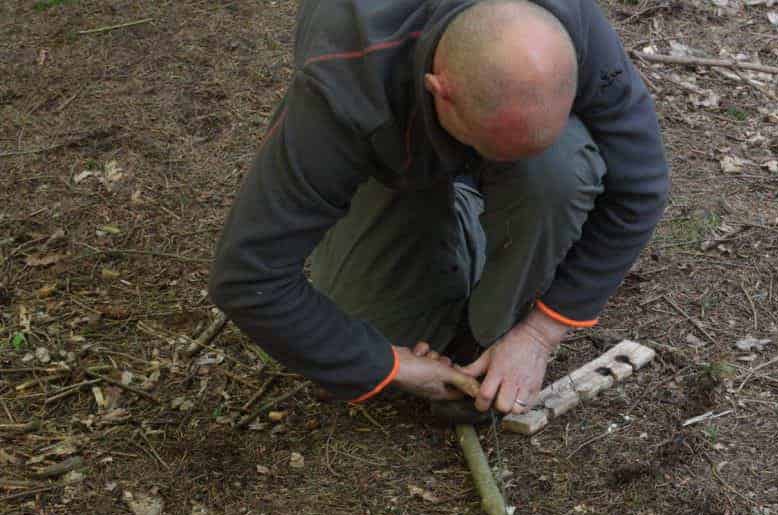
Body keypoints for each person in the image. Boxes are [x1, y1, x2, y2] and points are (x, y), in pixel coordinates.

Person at [209, 0, 668, 419]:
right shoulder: (342, 87)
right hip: (388, 142)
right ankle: (450, 213)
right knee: (375, 331)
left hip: (490, 126)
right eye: (491, 151)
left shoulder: (570, 25)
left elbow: (640, 188)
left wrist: (539, 334)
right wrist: (392, 365)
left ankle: (494, 330)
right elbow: (249, 275)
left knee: (557, 170)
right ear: (438, 91)